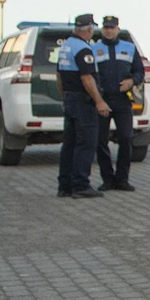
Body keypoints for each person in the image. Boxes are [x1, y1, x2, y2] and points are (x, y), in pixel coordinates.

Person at [55, 14, 110, 199]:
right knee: (86, 143)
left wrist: (64, 96)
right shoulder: (83, 49)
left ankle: (65, 185)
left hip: (70, 98)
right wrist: (99, 101)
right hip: (83, 101)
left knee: (69, 144)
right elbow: (87, 78)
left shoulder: (65, 46)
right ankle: (80, 185)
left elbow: (59, 75)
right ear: (89, 29)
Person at [91, 16, 141, 191]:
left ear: (118, 29)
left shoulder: (129, 48)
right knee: (100, 140)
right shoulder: (93, 49)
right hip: (102, 100)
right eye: (106, 28)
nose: (109, 31)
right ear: (102, 30)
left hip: (123, 100)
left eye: (112, 28)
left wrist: (131, 81)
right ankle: (107, 179)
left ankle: (122, 179)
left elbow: (139, 71)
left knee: (126, 138)